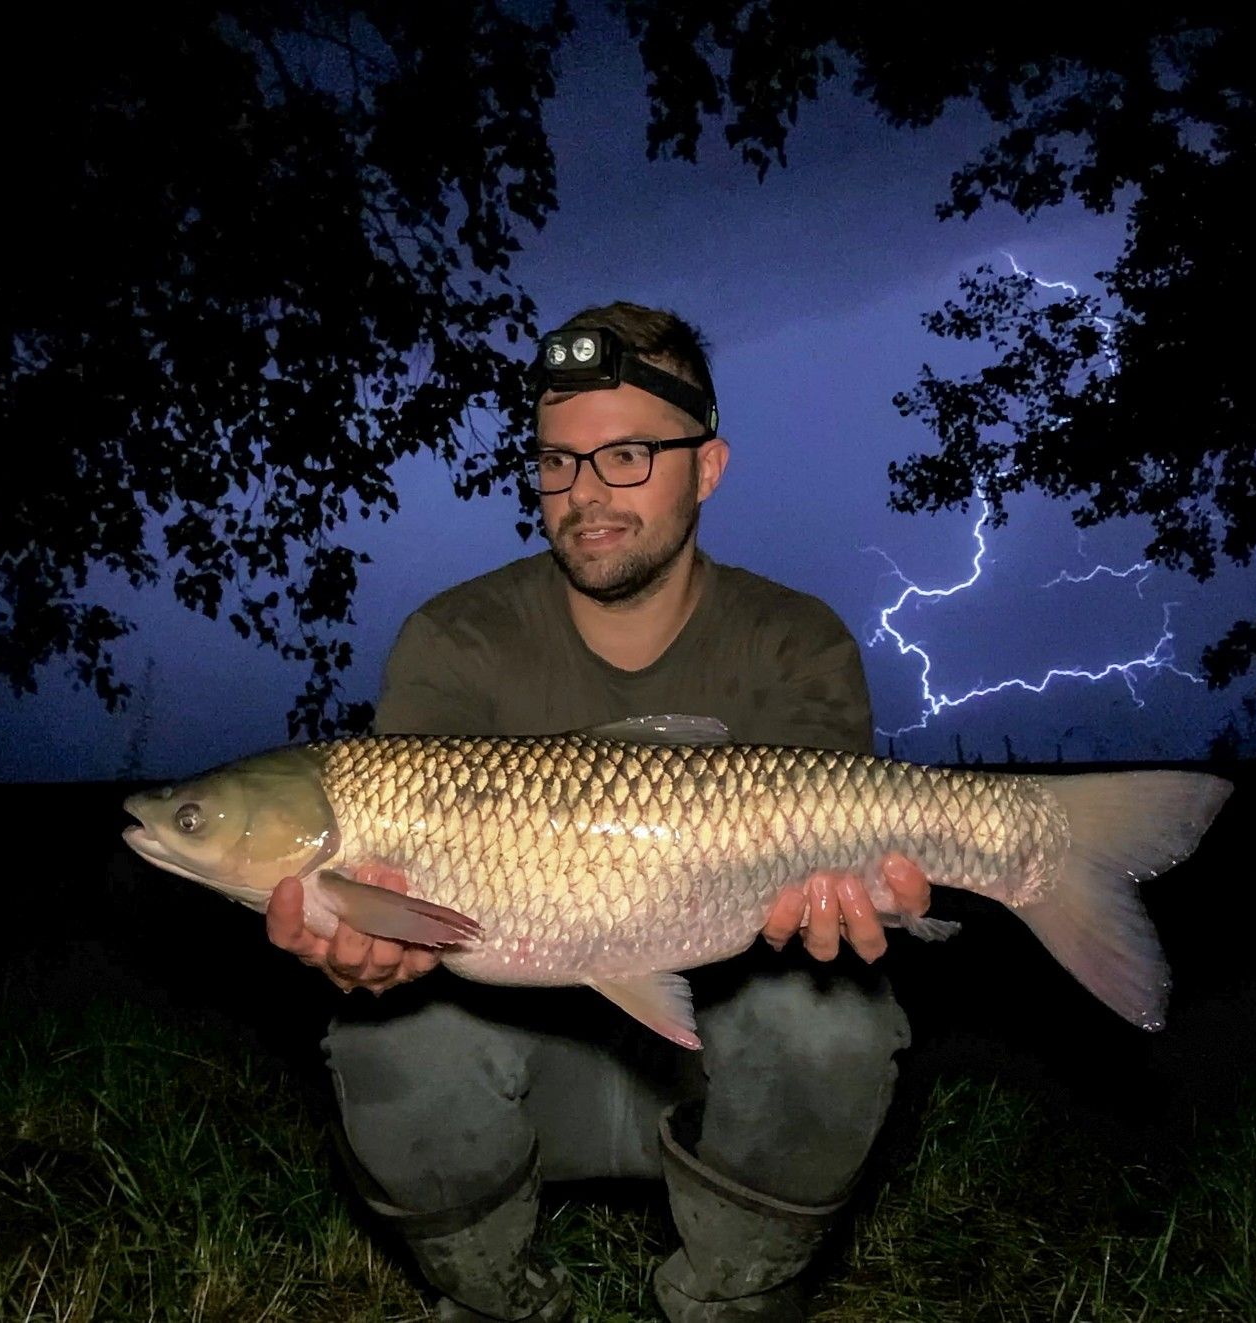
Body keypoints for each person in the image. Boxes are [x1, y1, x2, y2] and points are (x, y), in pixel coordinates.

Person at [265, 301, 931, 1321]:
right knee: (383, 1042)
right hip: (534, 1082)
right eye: (557, 462)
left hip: (722, 1082)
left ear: (706, 469)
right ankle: (500, 1301)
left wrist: (849, 904)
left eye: (627, 456)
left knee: (833, 1025)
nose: (584, 493)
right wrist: (372, 937)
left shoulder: (796, 640)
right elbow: (389, 920)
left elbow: (835, 880)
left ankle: (729, 1296)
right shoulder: (457, 638)